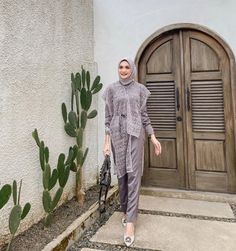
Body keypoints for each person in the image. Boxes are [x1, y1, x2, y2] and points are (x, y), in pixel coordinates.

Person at [102, 57, 161, 247]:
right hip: (118, 135)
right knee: (122, 176)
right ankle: (127, 210)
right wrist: (106, 142)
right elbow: (108, 117)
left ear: (132, 69)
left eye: (127, 67)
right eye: (121, 67)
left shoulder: (140, 90)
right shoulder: (111, 89)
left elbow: (144, 116)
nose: (124, 70)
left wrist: (152, 137)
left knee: (134, 175)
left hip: (136, 135)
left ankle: (130, 223)